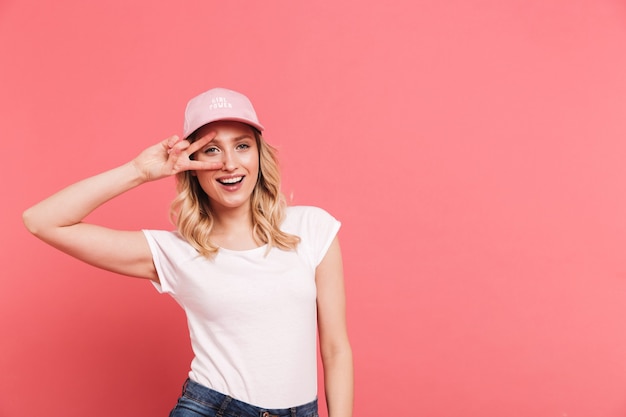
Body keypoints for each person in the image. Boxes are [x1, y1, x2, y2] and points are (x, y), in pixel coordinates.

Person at [22, 88, 353, 417]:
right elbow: (42, 221)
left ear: (258, 154)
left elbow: (336, 350)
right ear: (191, 164)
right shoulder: (175, 252)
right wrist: (138, 171)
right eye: (211, 150)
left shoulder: (312, 228)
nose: (229, 163)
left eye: (242, 145)